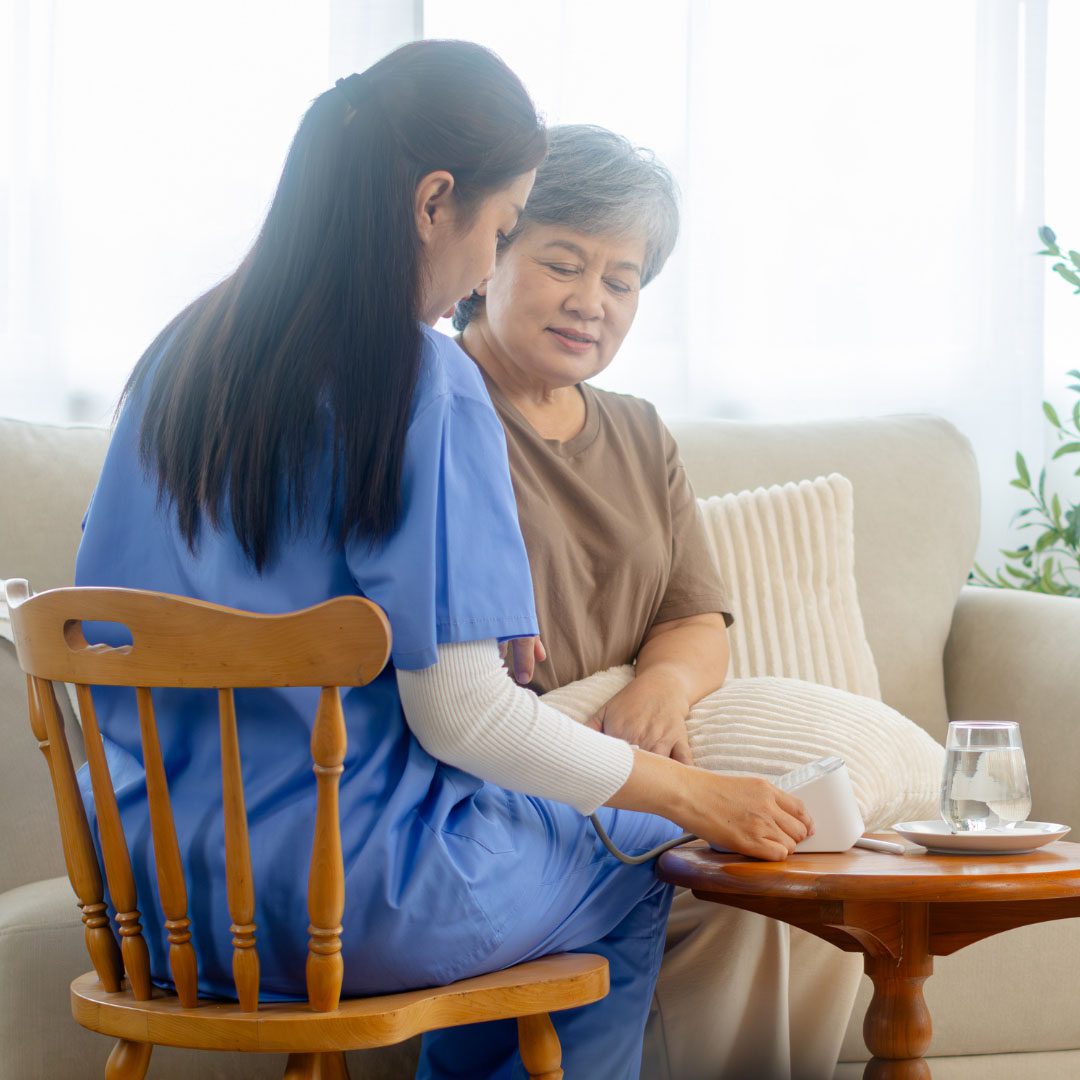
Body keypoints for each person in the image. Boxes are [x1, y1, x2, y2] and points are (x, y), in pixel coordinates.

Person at [75, 43, 811, 1079]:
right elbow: (462, 714)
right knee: (641, 853)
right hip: (349, 900)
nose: (483, 269)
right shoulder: (421, 376)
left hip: (157, 901)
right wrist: (689, 796)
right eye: (507, 233)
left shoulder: (181, 353)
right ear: (434, 203)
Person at [452, 123, 863, 1080]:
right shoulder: (440, 406)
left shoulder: (638, 432)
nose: (590, 302)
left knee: (792, 887)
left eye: (622, 279)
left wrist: (664, 690)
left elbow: (696, 616)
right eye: (561, 262)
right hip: (508, 766)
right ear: (487, 255)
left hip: (639, 762)